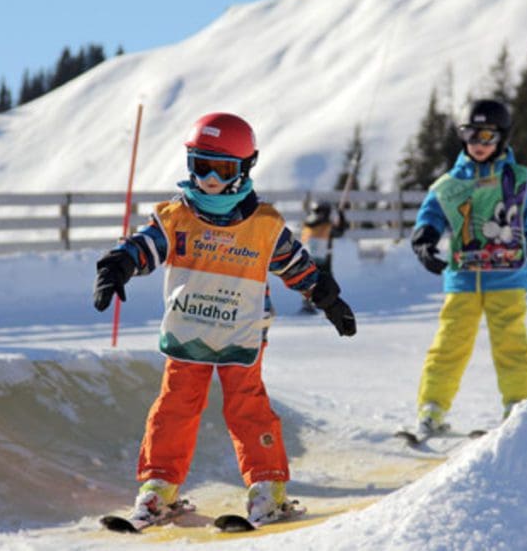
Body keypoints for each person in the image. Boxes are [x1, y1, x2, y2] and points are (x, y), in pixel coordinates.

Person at [92, 112, 357, 525]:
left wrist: (328, 299)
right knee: (175, 407)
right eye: (201, 166)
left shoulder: (264, 226)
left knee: (247, 407)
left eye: (223, 169)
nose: (210, 180)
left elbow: (296, 265)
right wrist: (117, 266)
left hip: (242, 333)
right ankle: (157, 487)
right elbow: (143, 247)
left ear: (245, 168)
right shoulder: (176, 218)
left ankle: (267, 488)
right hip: (189, 332)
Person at [409, 99, 527, 434]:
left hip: (506, 277)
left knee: (512, 344)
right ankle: (432, 407)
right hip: (463, 279)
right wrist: (424, 241)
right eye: (471, 135)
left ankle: (519, 407)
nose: (478, 144)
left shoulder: (517, 180)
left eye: (486, 136)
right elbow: (431, 215)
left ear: (501, 138)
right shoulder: (451, 183)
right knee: (449, 344)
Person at [299, 200, 348, 313]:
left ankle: (308, 303)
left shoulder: (307, 224)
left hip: (307, 258)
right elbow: (340, 231)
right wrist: (341, 214)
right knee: (326, 281)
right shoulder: (326, 226)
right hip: (322, 259)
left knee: (309, 281)